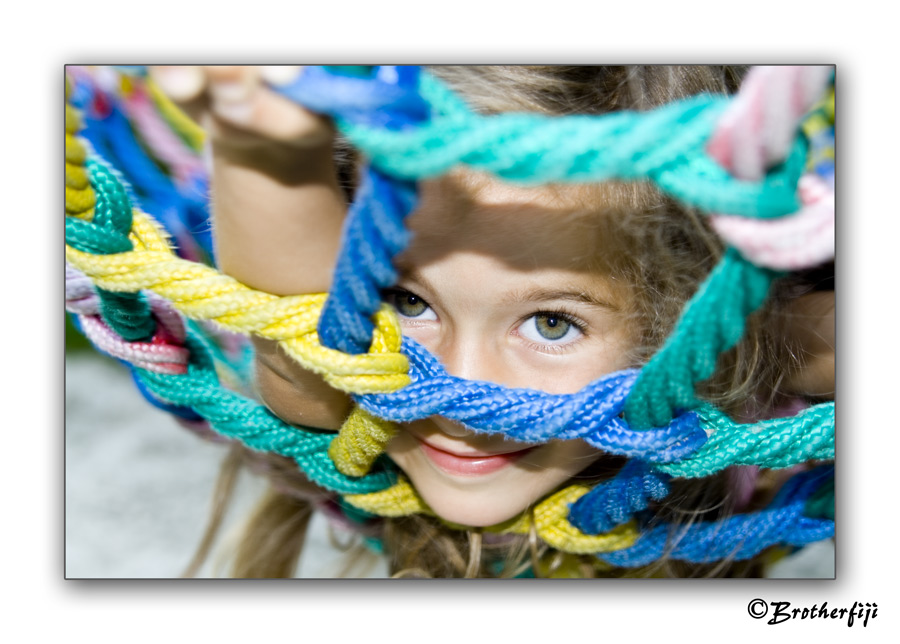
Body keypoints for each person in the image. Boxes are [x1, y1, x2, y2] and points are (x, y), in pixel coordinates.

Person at [140, 65, 834, 578]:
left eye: (552, 325)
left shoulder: (749, 340)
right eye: (409, 303)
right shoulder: (356, 401)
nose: (463, 397)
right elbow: (306, 372)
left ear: (683, 319)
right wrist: (264, 155)